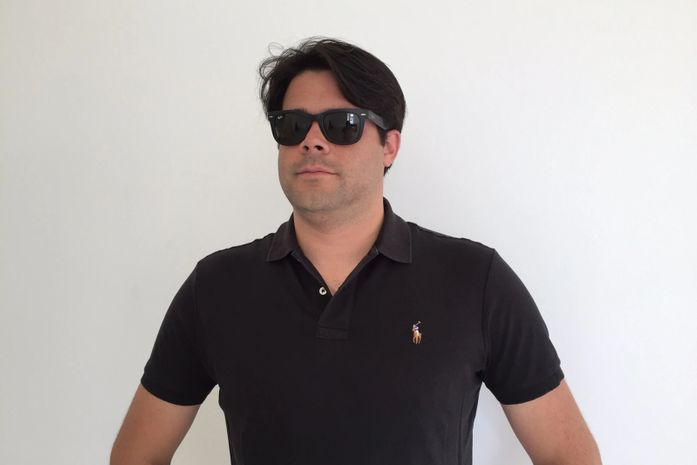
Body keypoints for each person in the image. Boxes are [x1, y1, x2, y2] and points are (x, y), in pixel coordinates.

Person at [111, 38, 601, 465]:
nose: (312, 141)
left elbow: (568, 454)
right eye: (292, 125)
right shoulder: (218, 286)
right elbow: (136, 455)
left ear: (389, 146)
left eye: (341, 124)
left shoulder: (474, 280)